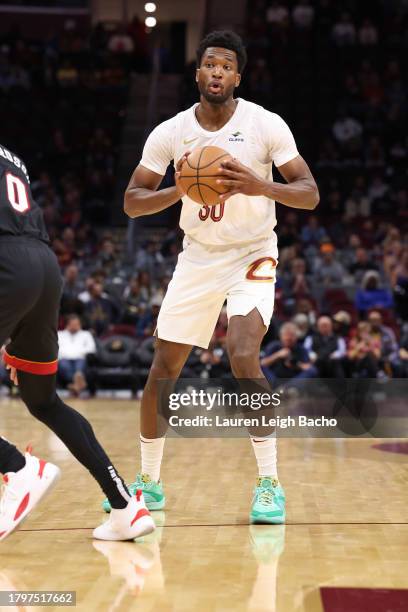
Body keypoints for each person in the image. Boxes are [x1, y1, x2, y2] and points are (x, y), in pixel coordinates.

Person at [104, 31, 319, 525]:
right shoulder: (171, 132)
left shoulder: (265, 124)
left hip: (253, 252)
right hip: (198, 256)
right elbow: (131, 202)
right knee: (164, 369)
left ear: (237, 77)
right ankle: (149, 485)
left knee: (243, 355)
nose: (217, 71)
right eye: (209, 64)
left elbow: (308, 193)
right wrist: (178, 190)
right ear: (197, 74)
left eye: (226, 65)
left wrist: (258, 183)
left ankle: (269, 484)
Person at [0, 144, 154, 541]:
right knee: (44, 401)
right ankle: (125, 507)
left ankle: (17, 466)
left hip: (7, 263)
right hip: (43, 266)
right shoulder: (13, 156)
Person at [57, 315, 96, 395]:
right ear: (68, 324)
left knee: (79, 367)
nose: (76, 326)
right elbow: (55, 349)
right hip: (64, 358)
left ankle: (75, 385)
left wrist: (78, 352)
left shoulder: (86, 334)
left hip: (80, 357)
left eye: (77, 324)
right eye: (73, 324)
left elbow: (92, 348)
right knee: (65, 367)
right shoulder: (59, 334)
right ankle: (78, 383)